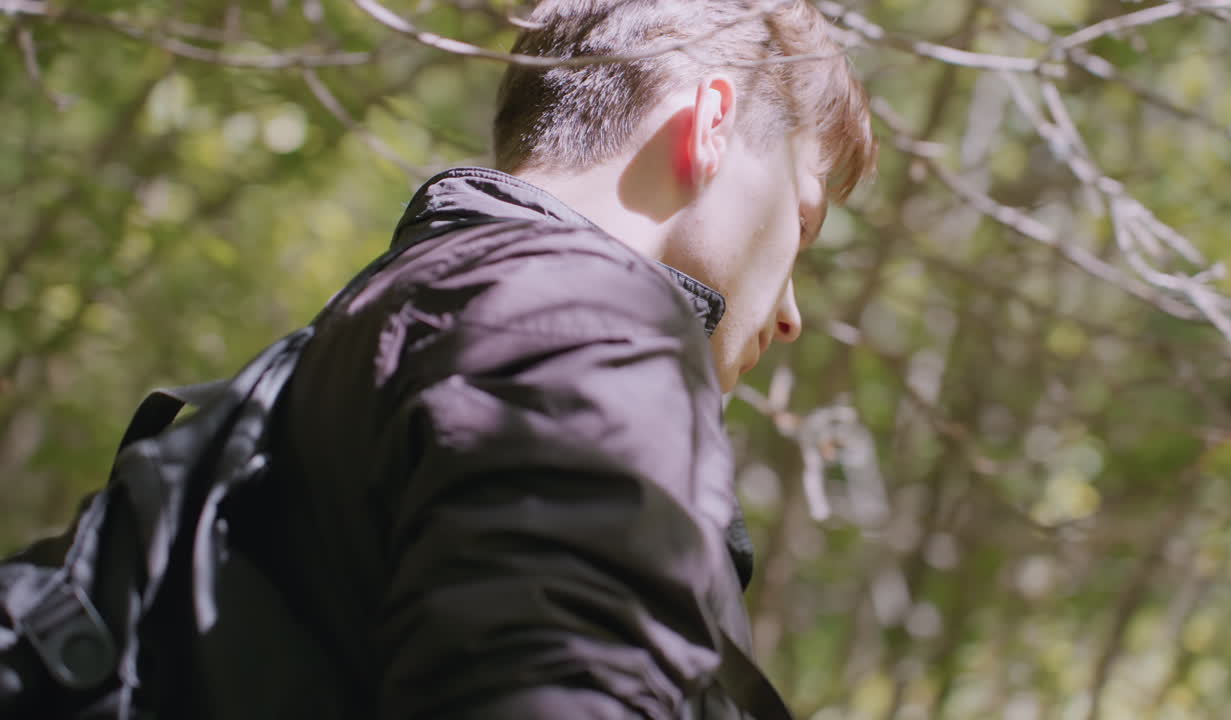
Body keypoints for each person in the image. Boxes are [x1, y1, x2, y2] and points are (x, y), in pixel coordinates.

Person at [269, 0, 876, 717]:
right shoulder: (581, 322)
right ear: (712, 123)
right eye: (801, 221)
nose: (790, 316)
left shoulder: (380, 329)